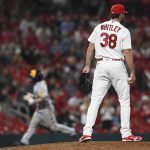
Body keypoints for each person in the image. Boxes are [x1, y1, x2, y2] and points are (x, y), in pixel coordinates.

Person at [79, 4, 142, 142]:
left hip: (100, 65)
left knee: (95, 100)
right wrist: (132, 72)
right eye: (123, 13)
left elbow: (90, 47)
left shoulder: (98, 27)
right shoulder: (124, 30)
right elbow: (127, 52)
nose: (124, 15)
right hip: (116, 64)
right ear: (120, 15)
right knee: (124, 100)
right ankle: (126, 134)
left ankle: (86, 132)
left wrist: (87, 66)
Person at [16, 69, 76, 145]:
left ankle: (71, 131)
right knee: (32, 126)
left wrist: (32, 100)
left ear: (36, 77)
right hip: (39, 110)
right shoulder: (37, 85)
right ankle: (24, 141)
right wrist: (31, 97)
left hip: (46, 109)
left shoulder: (42, 85)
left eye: (32, 77)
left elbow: (43, 99)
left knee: (54, 127)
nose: (30, 78)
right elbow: (38, 97)